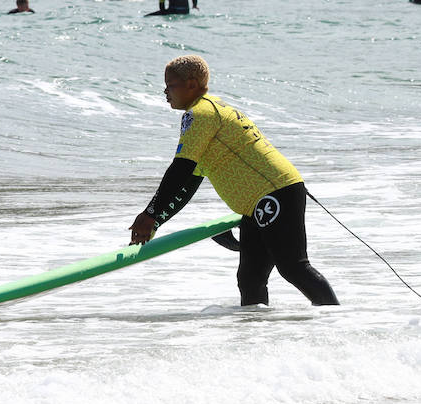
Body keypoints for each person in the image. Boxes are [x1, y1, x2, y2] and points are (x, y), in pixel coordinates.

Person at [128, 55, 340, 308]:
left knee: (294, 267)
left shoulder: (200, 114)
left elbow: (181, 169)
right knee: (250, 279)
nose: (165, 92)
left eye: (170, 85)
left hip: (273, 193)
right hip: (261, 201)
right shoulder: (211, 110)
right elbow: (188, 185)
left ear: (192, 84)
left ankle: (337, 323)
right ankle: (254, 336)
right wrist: (156, 220)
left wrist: (150, 214)